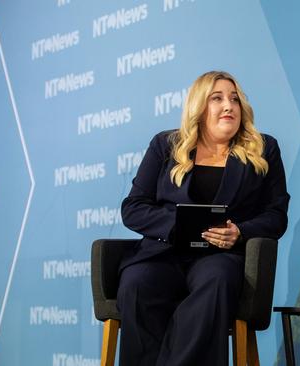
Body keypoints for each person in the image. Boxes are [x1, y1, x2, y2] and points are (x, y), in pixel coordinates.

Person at [117, 71, 290, 365]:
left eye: (235, 99)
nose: (229, 106)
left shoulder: (264, 149)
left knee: (216, 279)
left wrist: (241, 232)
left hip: (222, 256)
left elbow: (276, 215)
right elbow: (133, 207)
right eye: (217, 98)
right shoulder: (166, 145)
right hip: (164, 253)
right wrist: (178, 227)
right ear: (199, 106)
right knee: (137, 282)